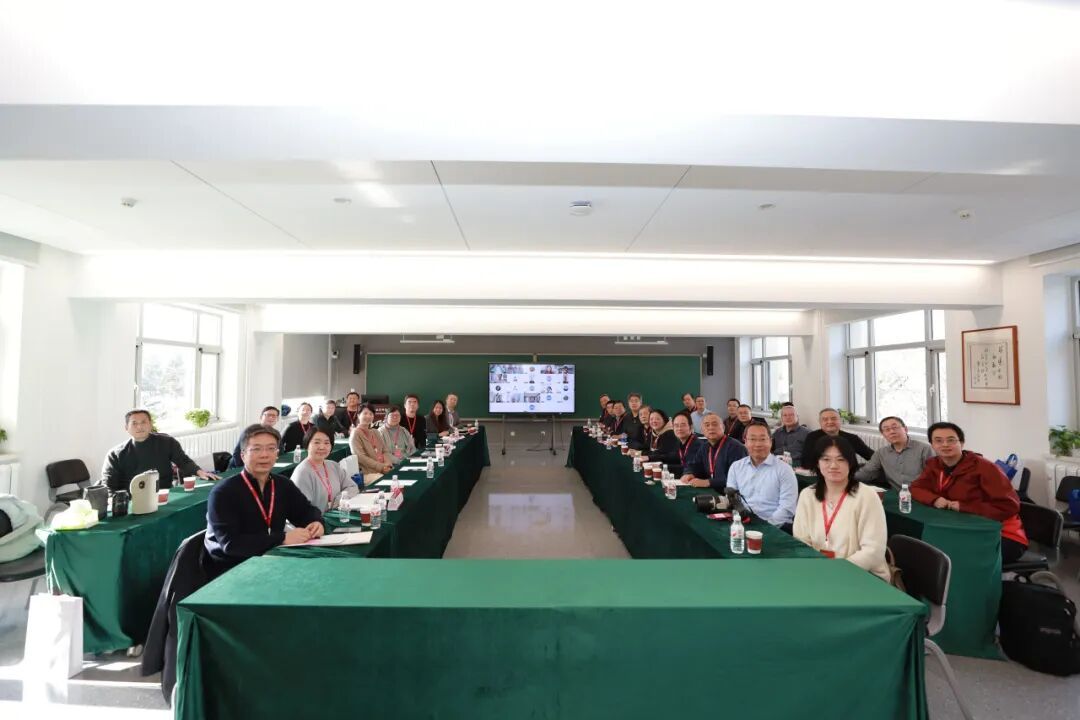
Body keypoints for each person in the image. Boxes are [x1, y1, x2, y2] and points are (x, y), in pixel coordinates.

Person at [203, 424, 325, 580]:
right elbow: (231, 544)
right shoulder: (223, 492)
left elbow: (305, 511)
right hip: (232, 571)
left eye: (271, 449)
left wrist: (316, 522)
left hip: (272, 560)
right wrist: (282, 538)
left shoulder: (282, 485)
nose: (264, 455)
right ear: (243, 455)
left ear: (277, 454)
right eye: (256, 449)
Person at [911, 422, 1028, 563]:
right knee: (924, 548)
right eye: (938, 441)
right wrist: (934, 499)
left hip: (1001, 534)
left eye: (951, 440)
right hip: (963, 528)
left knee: (951, 558)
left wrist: (964, 507)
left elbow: (1009, 506)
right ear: (932, 445)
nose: (945, 445)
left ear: (961, 443)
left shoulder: (985, 468)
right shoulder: (934, 465)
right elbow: (916, 488)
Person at [793, 436, 890, 581]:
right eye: (826, 459)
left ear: (851, 463)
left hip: (862, 576)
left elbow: (873, 551)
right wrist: (819, 569)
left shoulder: (867, 496)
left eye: (841, 459)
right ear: (818, 463)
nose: (833, 465)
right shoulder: (808, 495)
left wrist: (837, 572)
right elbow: (801, 541)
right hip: (819, 572)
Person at [102, 409, 215, 491]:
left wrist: (200, 472)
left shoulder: (167, 442)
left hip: (165, 494)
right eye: (134, 423)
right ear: (126, 428)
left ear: (150, 424)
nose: (140, 427)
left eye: (143, 422)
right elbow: (109, 485)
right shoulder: (115, 454)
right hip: (132, 500)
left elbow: (183, 461)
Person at [726, 423, 798, 529]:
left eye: (763, 439)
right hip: (743, 522)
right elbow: (732, 499)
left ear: (770, 442)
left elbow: (787, 509)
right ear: (745, 442)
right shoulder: (736, 467)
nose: (758, 444)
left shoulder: (784, 470)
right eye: (752, 439)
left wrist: (766, 527)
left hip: (775, 527)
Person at [855, 416, 934, 491]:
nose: (892, 432)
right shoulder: (881, 453)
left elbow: (934, 476)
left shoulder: (924, 449)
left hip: (923, 493)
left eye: (895, 427)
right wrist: (848, 478)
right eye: (887, 429)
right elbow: (867, 472)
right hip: (897, 494)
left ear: (905, 429)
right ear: (883, 434)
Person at [290, 426, 358, 511]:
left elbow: (353, 487)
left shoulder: (333, 465)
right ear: (307, 444)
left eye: (326, 443)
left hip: (334, 514)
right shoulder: (302, 473)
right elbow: (301, 510)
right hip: (315, 519)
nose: (322, 447)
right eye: (317, 442)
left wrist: (337, 501)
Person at [681, 412, 748, 490]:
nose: (711, 428)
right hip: (711, 491)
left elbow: (738, 478)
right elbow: (694, 465)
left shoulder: (736, 448)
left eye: (715, 424)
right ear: (702, 430)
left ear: (723, 427)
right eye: (707, 425)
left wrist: (709, 482)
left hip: (730, 494)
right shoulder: (704, 447)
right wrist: (689, 473)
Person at [800, 408, 874, 470]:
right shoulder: (812, 437)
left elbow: (872, 456)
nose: (830, 422)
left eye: (834, 418)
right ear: (820, 422)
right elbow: (806, 462)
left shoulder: (852, 438)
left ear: (840, 421)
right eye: (825, 419)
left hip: (849, 474)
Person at [643, 410, 699, 476]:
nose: (679, 428)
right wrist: (649, 458)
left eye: (683, 425)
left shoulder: (696, 445)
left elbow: (689, 469)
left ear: (691, 427)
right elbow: (671, 457)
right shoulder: (681, 443)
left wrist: (661, 467)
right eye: (676, 425)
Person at [350, 404, 394, 476]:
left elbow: (384, 450)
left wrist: (388, 464)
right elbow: (361, 457)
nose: (368, 416)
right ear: (358, 415)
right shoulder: (355, 433)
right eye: (365, 413)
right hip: (368, 473)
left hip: (385, 469)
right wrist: (381, 467)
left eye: (371, 414)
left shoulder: (375, 431)